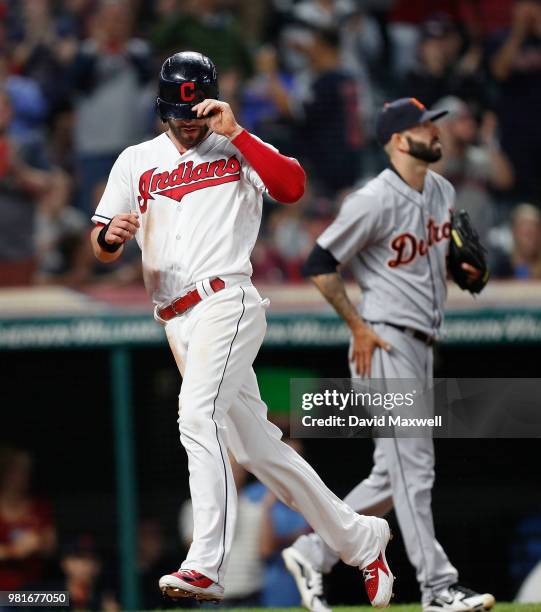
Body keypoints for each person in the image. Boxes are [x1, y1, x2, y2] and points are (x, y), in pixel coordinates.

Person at [89, 51, 393, 608]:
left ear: (211, 104)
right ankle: (360, 537)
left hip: (226, 300)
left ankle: (207, 563)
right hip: (176, 320)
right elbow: (102, 243)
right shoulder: (136, 160)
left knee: (195, 415)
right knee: (260, 451)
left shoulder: (235, 147)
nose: (189, 121)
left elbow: (294, 186)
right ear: (163, 108)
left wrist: (241, 133)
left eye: (197, 111)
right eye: (179, 112)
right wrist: (112, 236)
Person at [282, 98, 495, 612]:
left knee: (391, 474)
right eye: (423, 126)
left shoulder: (442, 189)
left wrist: (461, 271)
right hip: (384, 339)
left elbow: (439, 261)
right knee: (415, 470)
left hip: (422, 342)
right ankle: (438, 587)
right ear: (399, 140)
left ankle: (313, 551)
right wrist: (355, 325)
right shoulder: (372, 199)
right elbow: (319, 261)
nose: (433, 132)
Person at [0, 447, 56, 591]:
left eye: (26, 472)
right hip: (3, 592)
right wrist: (13, 551)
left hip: (34, 591)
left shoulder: (40, 507)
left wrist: (39, 543)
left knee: (62, 599)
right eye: (16, 471)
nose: (22, 477)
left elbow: (51, 547)